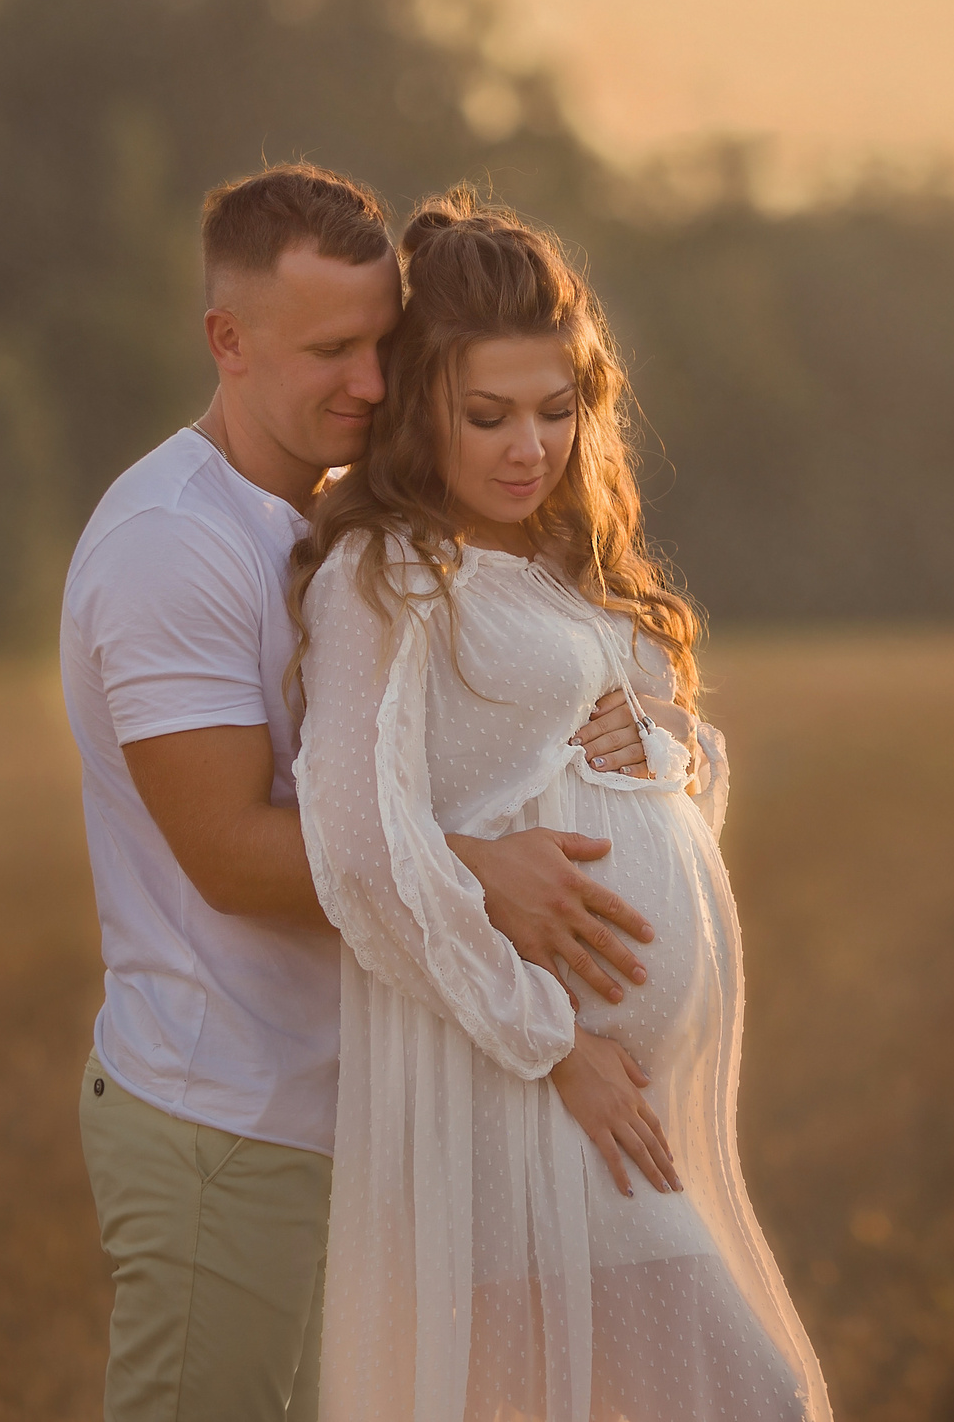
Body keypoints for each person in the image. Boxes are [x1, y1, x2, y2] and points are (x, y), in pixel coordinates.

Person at [60, 164, 658, 1422]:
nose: (374, 384)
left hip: (376, 1115)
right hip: (231, 1124)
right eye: (331, 349)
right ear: (227, 341)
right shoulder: (172, 545)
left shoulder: (338, 520)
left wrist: (618, 731)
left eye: (384, 344)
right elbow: (225, 853)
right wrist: (482, 874)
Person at [290, 191, 831, 1421]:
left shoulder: (556, 567)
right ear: (418, 405)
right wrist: (556, 1046)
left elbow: (673, 818)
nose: (526, 446)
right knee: (751, 1403)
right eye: (486, 416)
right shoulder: (389, 577)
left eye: (555, 410)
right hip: (516, 1090)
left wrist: (667, 745)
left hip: (597, 1104)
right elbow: (363, 848)